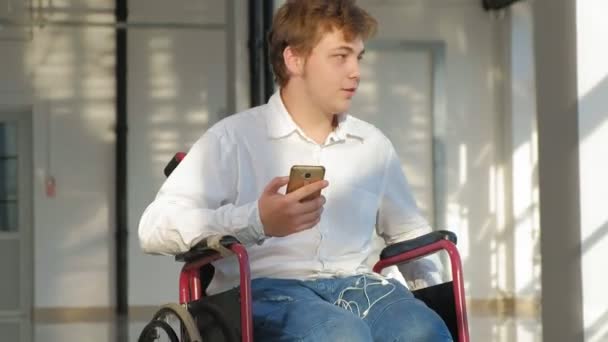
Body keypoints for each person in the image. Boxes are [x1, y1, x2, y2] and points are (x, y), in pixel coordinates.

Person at [139, 0, 452, 341]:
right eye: (340, 56)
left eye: (357, 57)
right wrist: (256, 220)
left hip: (359, 287)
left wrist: (439, 302)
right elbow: (154, 227)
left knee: (425, 330)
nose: (356, 72)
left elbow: (410, 236)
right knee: (338, 335)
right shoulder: (232, 139)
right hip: (264, 290)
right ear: (294, 59)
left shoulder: (373, 145)